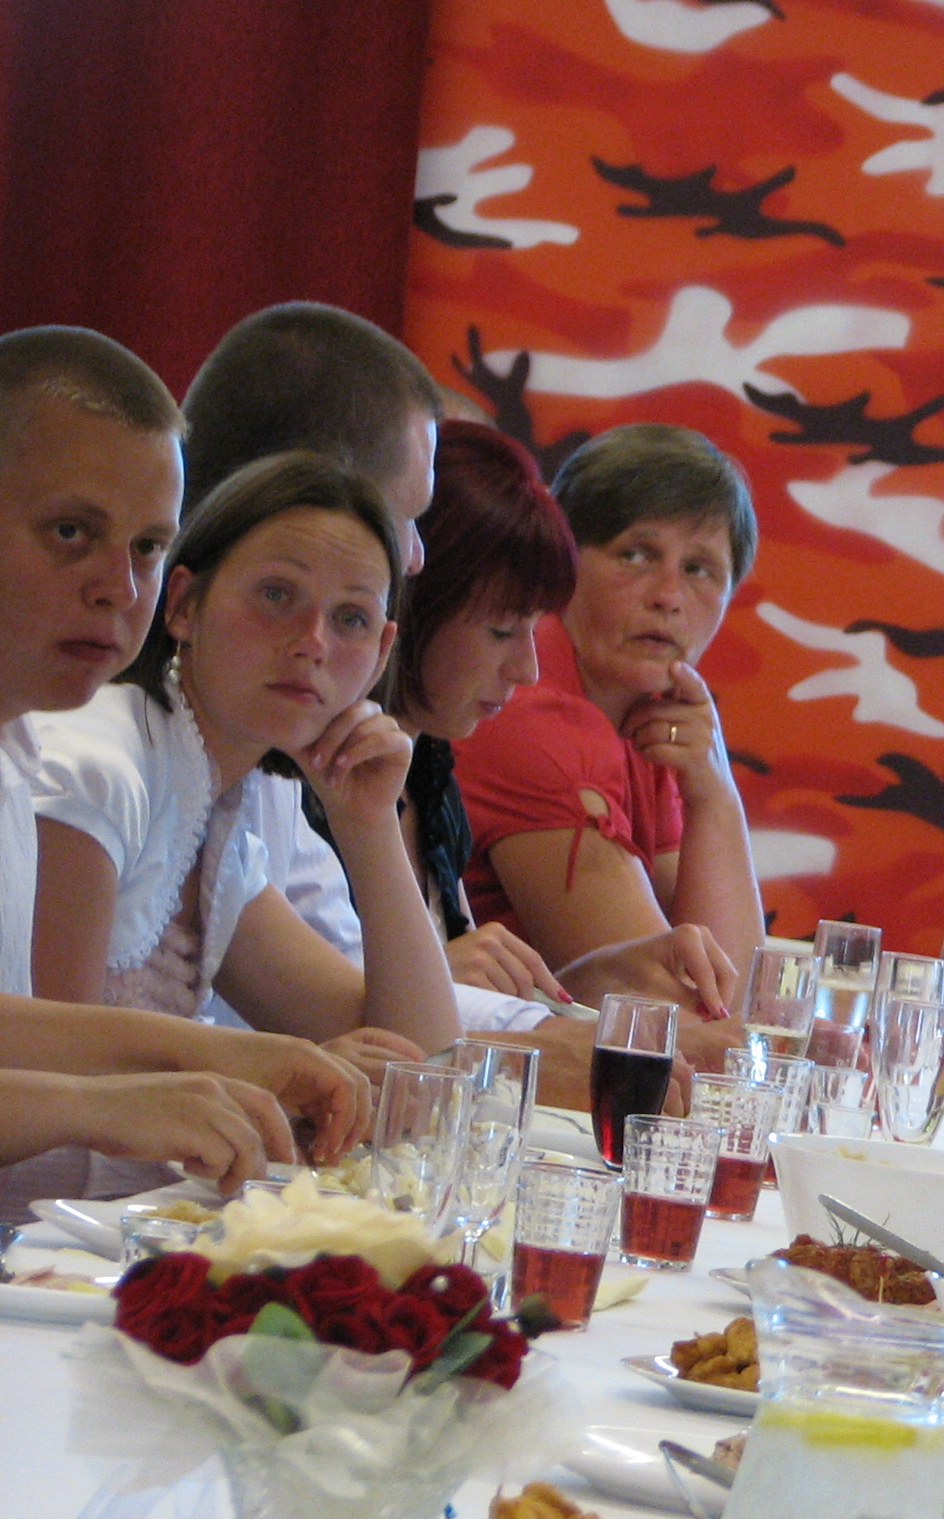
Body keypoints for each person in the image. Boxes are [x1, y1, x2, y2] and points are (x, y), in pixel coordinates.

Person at [0, 328, 363, 1182]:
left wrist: (223, 1056)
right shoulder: (84, 762)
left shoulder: (17, 746)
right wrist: (99, 1104)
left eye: (147, 547)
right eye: (70, 532)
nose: (119, 589)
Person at [180, 303, 563, 1021]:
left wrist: (369, 826)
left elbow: (410, 1040)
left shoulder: (246, 772)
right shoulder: (108, 760)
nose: (415, 557)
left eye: (352, 618)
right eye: (404, 518)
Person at [30, 454, 459, 1058]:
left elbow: (420, 1059)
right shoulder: (96, 768)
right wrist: (262, 1073)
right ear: (183, 604)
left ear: (380, 654)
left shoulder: (210, 823)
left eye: (351, 618)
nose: (313, 643)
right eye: (276, 595)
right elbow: (49, 1077)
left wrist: (368, 826)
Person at [452, 423, 764, 1019]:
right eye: (636, 555)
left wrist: (713, 791)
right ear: (564, 562)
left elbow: (732, 983)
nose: (669, 595)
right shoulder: (528, 708)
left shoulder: (648, 711)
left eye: (700, 569)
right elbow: (679, 1014)